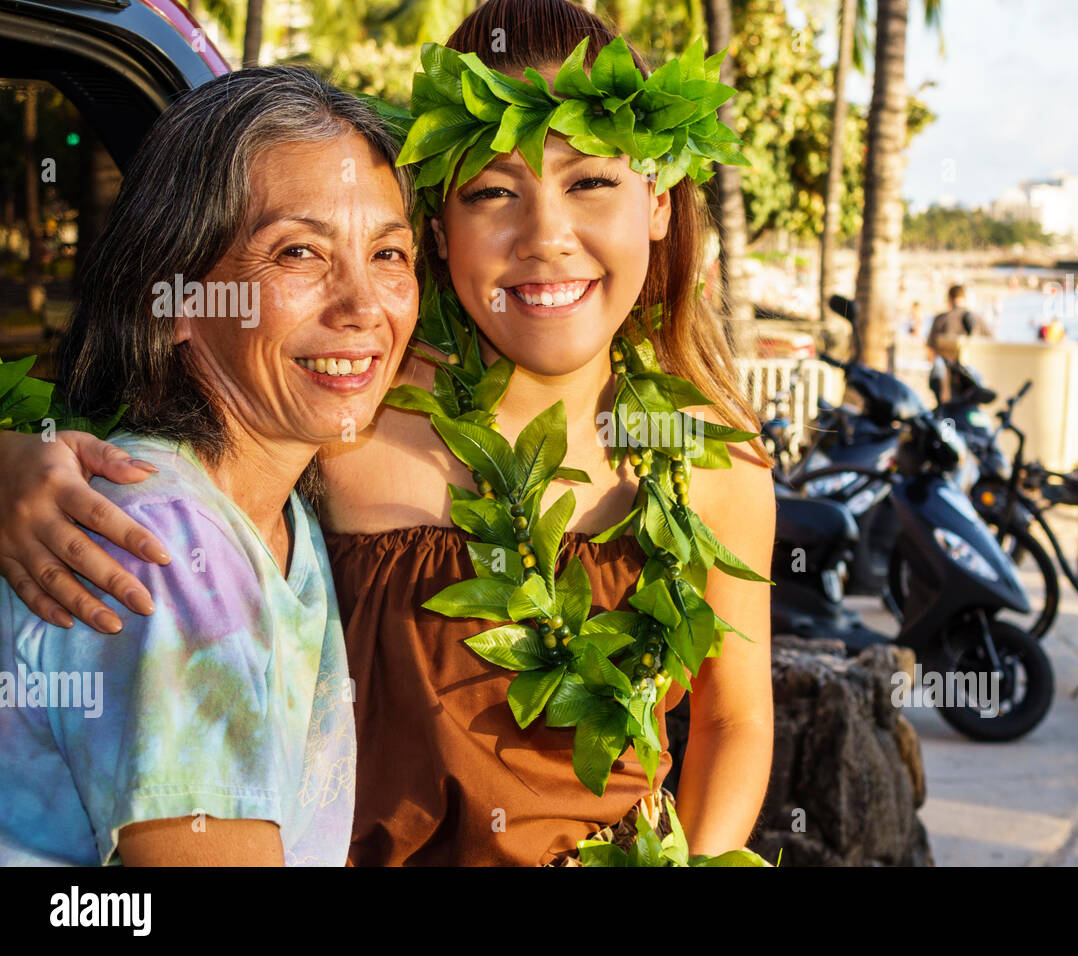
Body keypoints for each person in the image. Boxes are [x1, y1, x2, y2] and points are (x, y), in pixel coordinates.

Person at [0, 0, 774, 867]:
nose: (548, 236)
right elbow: (170, 444)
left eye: (590, 180)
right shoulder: (345, 409)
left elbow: (735, 718)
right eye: (491, 192)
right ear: (444, 233)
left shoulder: (711, 460)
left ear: (661, 202)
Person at [0, 68, 420, 865]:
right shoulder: (162, 546)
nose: (364, 305)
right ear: (174, 301)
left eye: (389, 252)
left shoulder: (277, 511)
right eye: (299, 251)